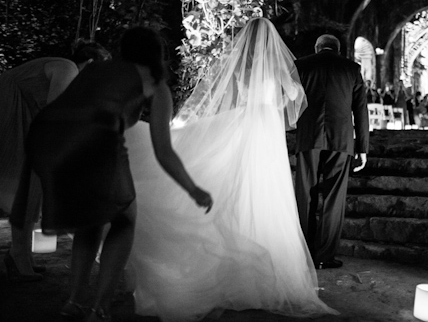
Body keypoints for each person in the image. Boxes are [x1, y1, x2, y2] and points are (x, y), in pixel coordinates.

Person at [125, 18, 337, 321]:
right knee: (265, 188)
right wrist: (275, 101)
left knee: (240, 185)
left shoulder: (241, 66)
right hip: (265, 127)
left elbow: (231, 96)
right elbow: (295, 97)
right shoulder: (276, 67)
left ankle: (238, 260)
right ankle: (265, 264)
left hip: (244, 121)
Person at [26, 27, 213, 322]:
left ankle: (74, 301)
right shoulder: (154, 84)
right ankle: (99, 308)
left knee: (91, 223)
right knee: (124, 219)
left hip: (59, 146)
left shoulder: (96, 71)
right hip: (100, 149)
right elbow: (163, 151)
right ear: (159, 54)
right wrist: (193, 189)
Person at [0, 41, 111, 283]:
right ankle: (18, 255)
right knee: (26, 182)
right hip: (9, 110)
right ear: (91, 63)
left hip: (24, 118)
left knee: (29, 185)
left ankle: (19, 254)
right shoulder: (67, 68)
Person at [294, 34, 369, 269]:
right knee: (334, 197)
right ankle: (324, 256)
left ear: (317, 48)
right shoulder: (351, 69)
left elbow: (290, 101)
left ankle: (302, 252)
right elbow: (361, 111)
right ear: (338, 50)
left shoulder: (301, 65)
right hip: (341, 139)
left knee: (304, 194)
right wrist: (363, 147)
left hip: (308, 136)